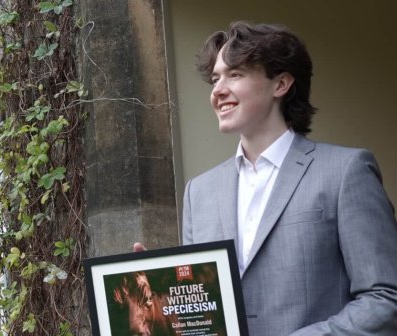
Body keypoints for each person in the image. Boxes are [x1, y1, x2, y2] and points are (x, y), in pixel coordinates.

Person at [136, 21, 397, 335]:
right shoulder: (199, 192)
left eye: (236, 74)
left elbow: (386, 298)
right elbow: (206, 316)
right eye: (215, 78)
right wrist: (159, 292)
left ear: (281, 84)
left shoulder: (346, 170)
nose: (218, 90)